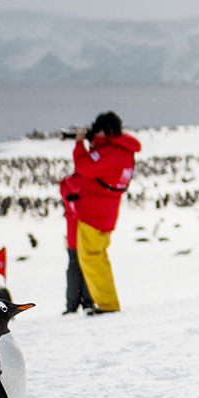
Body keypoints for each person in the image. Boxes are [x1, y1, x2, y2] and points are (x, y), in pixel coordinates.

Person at [69, 111, 139, 313]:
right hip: (103, 212)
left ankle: (108, 304)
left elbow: (84, 167)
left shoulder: (112, 152)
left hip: (94, 214)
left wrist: (79, 144)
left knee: (91, 258)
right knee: (98, 258)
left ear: (106, 130)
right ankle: (107, 302)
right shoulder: (120, 150)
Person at [58, 173, 96, 315]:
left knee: (73, 267)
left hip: (72, 232)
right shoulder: (88, 183)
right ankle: (88, 300)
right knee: (86, 267)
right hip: (85, 229)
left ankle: (72, 304)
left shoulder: (66, 185)